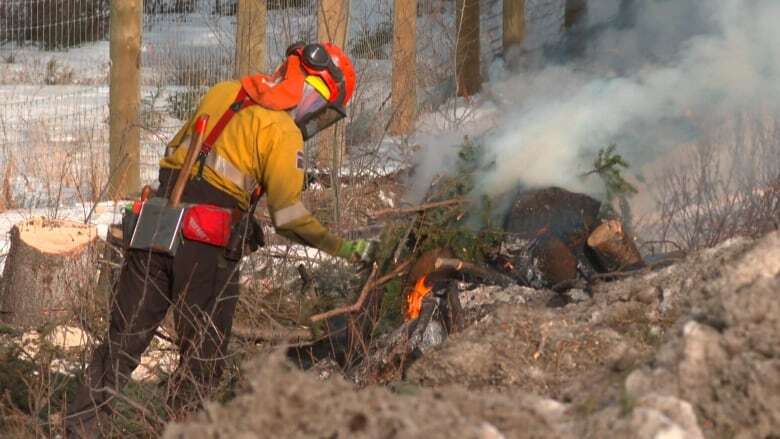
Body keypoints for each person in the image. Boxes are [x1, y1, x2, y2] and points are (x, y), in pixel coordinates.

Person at [65, 41, 374, 437]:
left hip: (157, 222)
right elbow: (289, 217)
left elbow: (175, 156)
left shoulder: (224, 92)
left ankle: (80, 429)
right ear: (310, 90)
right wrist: (345, 247)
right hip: (206, 246)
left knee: (120, 344)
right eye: (319, 105)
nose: (313, 115)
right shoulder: (282, 132)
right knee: (203, 358)